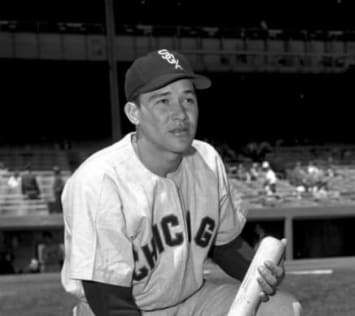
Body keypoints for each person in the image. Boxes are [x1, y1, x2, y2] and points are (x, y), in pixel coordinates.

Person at [61, 49, 301, 316]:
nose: (180, 113)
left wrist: (259, 270)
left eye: (188, 99)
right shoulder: (99, 180)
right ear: (134, 113)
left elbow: (224, 245)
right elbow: (109, 301)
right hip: (114, 309)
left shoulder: (207, 160)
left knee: (283, 309)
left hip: (190, 301)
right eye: (162, 101)